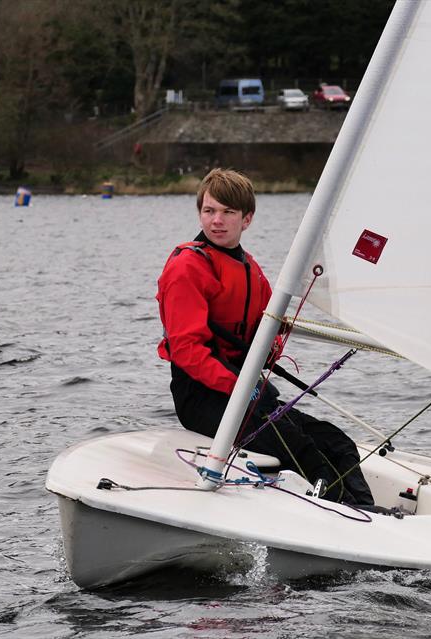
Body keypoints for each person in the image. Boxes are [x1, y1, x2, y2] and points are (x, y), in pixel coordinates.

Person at [156, 168, 374, 505]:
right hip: (202, 397)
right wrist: (241, 386)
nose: (217, 221)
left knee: (339, 443)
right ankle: (345, 516)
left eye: (228, 212)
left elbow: (268, 331)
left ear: (247, 219)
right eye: (209, 211)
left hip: (248, 394)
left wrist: (269, 351)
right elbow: (186, 349)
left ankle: (369, 513)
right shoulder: (188, 267)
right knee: (303, 450)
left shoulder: (252, 271)